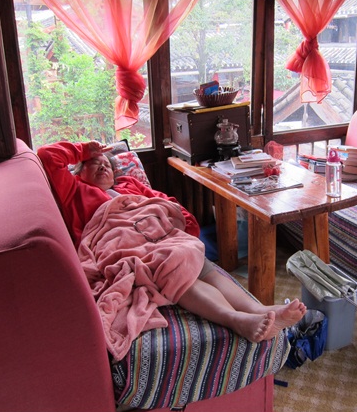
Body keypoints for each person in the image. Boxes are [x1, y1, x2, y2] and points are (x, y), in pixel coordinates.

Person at [37, 140, 306, 344]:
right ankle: (237, 320)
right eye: (94, 162)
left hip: (157, 232)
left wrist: (184, 230)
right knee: (174, 265)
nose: (103, 165)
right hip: (119, 239)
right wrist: (86, 149)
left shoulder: (127, 184)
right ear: (79, 170)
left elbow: (164, 203)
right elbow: (47, 156)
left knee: (195, 257)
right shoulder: (73, 190)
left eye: (107, 163)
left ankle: (260, 309)